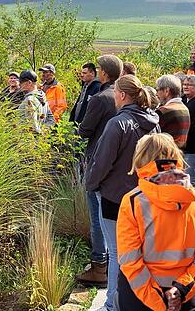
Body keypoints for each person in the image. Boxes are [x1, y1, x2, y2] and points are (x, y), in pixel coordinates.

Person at [117, 134, 195, 311]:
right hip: (186, 295)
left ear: (140, 159)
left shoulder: (133, 202)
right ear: (176, 157)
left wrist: (158, 302)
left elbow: (129, 260)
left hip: (140, 295)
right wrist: (180, 290)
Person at [85, 74, 160, 310]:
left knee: (118, 254)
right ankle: (136, 298)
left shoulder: (118, 124)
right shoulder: (154, 121)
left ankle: (112, 304)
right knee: (140, 251)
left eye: (116, 91)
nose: (114, 95)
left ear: (122, 95)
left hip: (115, 197)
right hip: (145, 195)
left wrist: (90, 184)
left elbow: (102, 161)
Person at [76, 54, 124, 287]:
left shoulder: (100, 98)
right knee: (111, 217)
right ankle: (111, 262)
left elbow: (84, 130)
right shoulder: (125, 97)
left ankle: (99, 265)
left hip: (96, 159)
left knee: (97, 216)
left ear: (103, 73)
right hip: (120, 164)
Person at [155, 74, 190, 148]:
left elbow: (152, 136)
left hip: (164, 154)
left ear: (166, 91)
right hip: (179, 154)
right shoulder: (184, 108)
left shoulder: (164, 110)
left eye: (157, 90)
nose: (156, 93)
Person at [18, 69, 55, 134]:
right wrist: (43, 132)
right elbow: (51, 120)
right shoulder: (42, 96)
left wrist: (38, 134)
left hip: (28, 141)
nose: (19, 85)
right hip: (40, 141)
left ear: (29, 83)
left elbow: (32, 127)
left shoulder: (29, 100)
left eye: (21, 82)